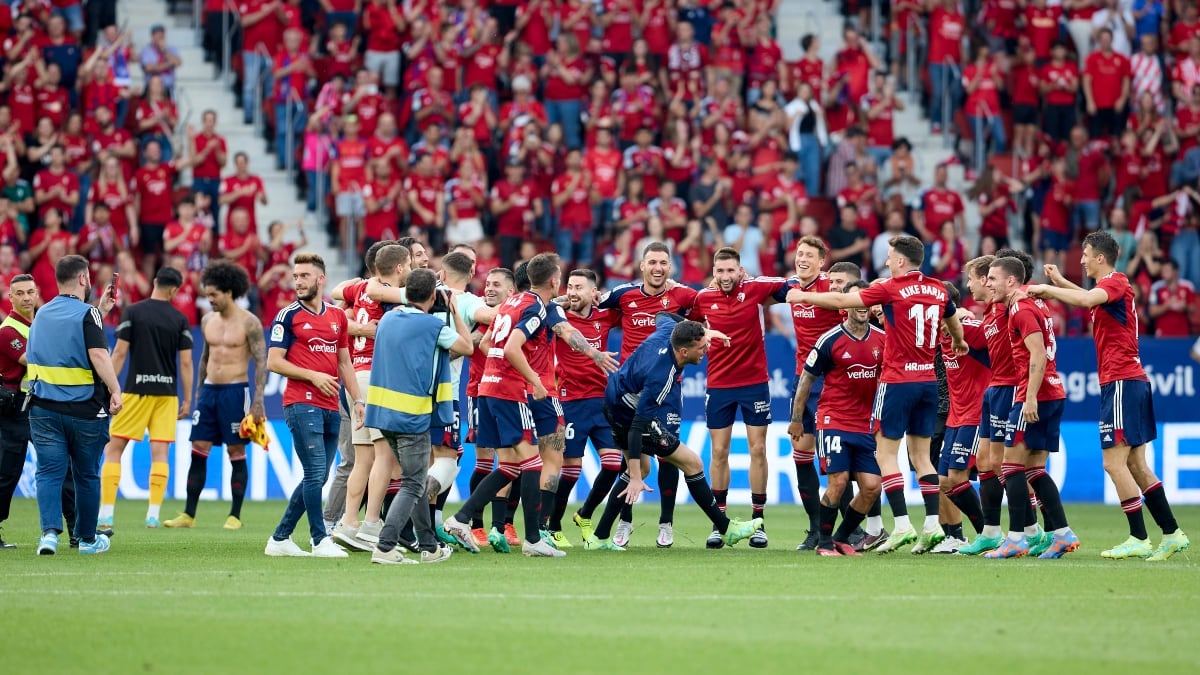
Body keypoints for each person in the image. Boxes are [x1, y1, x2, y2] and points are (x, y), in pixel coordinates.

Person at [788, 235, 969, 554]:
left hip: (897, 380)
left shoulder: (890, 287)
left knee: (886, 455)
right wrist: (959, 342)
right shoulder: (939, 288)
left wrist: (801, 296)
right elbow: (953, 317)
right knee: (923, 457)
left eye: (888, 257)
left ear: (901, 261)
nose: (886, 262)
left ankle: (900, 526)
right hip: (927, 381)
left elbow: (844, 302)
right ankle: (931, 525)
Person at [1029, 232, 1189, 560]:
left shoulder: (1116, 281)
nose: (1082, 259)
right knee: (1136, 464)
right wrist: (1062, 281)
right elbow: (1090, 298)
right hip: (1130, 380)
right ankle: (1172, 533)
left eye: (1086, 254)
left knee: (1112, 462)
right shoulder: (1110, 289)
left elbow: (1088, 301)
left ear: (1100, 258)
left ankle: (1139, 537)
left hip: (1121, 381)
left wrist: (1048, 289)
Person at [442, 254, 590, 558]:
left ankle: (459, 519)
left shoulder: (512, 304)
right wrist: (534, 379)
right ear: (553, 280)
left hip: (487, 388)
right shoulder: (534, 306)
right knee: (534, 463)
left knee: (510, 466)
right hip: (510, 392)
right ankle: (534, 539)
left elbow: (486, 345)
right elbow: (511, 347)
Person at [586, 314, 761, 550]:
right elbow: (637, 426)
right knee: (693, 463)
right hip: (626, 413)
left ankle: (598, 537)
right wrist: (636, 477)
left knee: (643, 468)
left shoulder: (669, 330)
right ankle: (726, 529)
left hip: (613, 402)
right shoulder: (662, 375)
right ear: (683, 352)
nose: (706, 349)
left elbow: (662, 316)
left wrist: (704, 331)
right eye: (701, 347)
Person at [364, 268, 473, 564]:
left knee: (414, 479)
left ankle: (429, 546)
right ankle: (385, 546)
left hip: (381, 412)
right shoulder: (432, 326)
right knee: (414, 483)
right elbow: (468, 347)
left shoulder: (387, 319)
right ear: (432, 296)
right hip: (411, 415)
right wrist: (454, 311)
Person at [593, 241, 698, 547]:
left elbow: (707, 306)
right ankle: (625, 521)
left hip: (666, 389)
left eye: (663, 263)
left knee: (670, 458)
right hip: (629, 394)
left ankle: (666, 524)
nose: (658, 268)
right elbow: (587, 304)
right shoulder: (622, 295)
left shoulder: (683, 295)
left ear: (671, 267)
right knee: (632, 458)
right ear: (642, 266)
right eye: (652, 262)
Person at [265, 253, 365, 558]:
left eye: (304, 276)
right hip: (300, 403)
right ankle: (320, 539)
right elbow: (274, 362)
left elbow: (344, 362)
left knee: (319, 476)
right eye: (296, 277)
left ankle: (280, 538)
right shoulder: (287, 316)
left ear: (320, 279)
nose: (298, 282)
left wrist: (358, 399)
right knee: (315, 473)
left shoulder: (337, 317)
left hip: (332, 405)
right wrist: (312, 375)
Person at [690, 246, 788, 549]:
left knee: (758, 449)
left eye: (731, 270)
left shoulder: (756, 288)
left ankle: (758, 521)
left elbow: (789, 285)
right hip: (718, 385)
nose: (725, 276)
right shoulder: (703, 299)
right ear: (714, 273)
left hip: (754, 384)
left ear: (740, 271)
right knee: (718, 453)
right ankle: (720, 523)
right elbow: (688, 326)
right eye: (720, 271)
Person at [982, 256, 1079, 559]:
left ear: (1011, 281)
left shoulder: (1021, 309)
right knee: (1034, 469)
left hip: (1034, 394)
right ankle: (1062, 534)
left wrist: (1030, 397)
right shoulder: (1033, 303)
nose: (988, 284)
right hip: (1052, 392)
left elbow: (1037, 354)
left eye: (993, 279)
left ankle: (1017, 539)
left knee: (1011, 465)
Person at [28, 255, 122, 555]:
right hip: (84, 412)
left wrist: (99, 311)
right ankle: (86, 539)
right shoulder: (86, 315)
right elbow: (97, 354)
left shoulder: (41, 313)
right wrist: (115, 388)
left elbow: (62, 339)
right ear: (83, 279)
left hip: (43, 409)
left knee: (49, 473)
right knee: (86, 475)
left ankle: (49, 536)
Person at [163, 261, 265, 529]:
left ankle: (235, 515)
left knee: (236, 450)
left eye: (214, 295)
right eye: (207, 295)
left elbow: (262, 363)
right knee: (199, 448)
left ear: (229, 292)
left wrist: (258, 401)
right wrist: (198, 393)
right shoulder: (208, 320)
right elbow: (204, 359)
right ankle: (188, 514)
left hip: (235, 391)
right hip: (209, 392)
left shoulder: (250, 322)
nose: (209, 300)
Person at [792, 280, 886, 556]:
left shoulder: (882, 339)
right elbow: (806, 381)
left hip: (865, 424)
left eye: (866, 301)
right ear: (845, 307)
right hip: (834, 420)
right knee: (839, 481)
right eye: (856, 300)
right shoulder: (829, 339)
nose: (862, 306)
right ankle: (823, 542)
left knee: (871, 487)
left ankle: (842, 537)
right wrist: (797, 418)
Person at [98, 267, 194, 530]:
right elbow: (186, 364)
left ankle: (106, 514)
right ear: (174, 290)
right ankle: (153, 514)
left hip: (135, 391)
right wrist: (187, 398)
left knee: (114, 449)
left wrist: (110, 386)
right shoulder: (179, 318)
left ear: (154, 282)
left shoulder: (134, 312)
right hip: (166, 395)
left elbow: (119, 353)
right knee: (160, 453)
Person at [328, 243, 408, 552]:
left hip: (357, 377)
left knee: (363, 458)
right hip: (377, 377)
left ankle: (349, 522)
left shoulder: (359, 288)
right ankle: (372, 523)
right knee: (385, 454)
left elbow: (337, 293)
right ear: (399, 268)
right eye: (409, 265)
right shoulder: (386, 294)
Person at [779, 237, 849, 551]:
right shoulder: (791, 286)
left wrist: (799, 296)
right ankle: (814, 529)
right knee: (801, 454)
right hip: (801, 380)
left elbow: (842, 301)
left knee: (835, 457)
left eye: (809, 255)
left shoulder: (829, 285)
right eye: (799, 254)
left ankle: (852, 528)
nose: (802, 259)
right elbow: (762, 291)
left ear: (822, 261)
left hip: (832, 381)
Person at [550, 269, 621, 548]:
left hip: (602, 402)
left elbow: (629, 305)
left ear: (595, 292)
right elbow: (544, 305)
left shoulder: (605, 317)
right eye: (570, 286)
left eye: (579, 287)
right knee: (570, 470)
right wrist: (563, 300)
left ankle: (584, 514)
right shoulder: (558, 318)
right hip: (569, 401)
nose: (573, 291)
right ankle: (553, 525)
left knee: (614, 464)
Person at [932, 281, 991, 554]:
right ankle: (985, 534)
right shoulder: (941, 334)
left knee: (958, 476)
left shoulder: (970, 329)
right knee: (945, 482)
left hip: (976, 414)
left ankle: (989, 533)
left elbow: (1005, 344)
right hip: (955, 417)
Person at [0, 276, 38, 547]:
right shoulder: (8, 330)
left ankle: (78, 529)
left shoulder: (36, 326)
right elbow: (30, 359)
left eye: (30, 292)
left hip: (36, 406)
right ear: (10, 298)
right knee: (7, 473)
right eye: (20, 293)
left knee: (64, 464)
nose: (26, 297)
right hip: (14, 410)